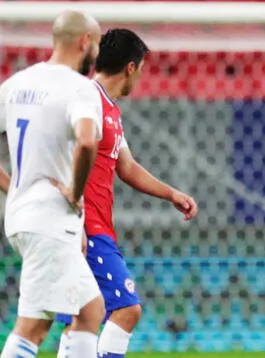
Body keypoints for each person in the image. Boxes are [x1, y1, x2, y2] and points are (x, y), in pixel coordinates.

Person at [46, 28, 199, 358]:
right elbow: (61, 155)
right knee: (127, 309)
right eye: (141, 70)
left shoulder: (108, 108)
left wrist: (171, 193)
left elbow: (126, 166)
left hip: (94, 225)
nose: (140, 78)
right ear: (131, 67)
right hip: (85, 226)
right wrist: (77, 213)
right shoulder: (86, 99)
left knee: (81, 318)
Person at [0, 10, 106, 358]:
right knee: (34, 327)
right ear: (84, 42)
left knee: (90, 310)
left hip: (23, 214)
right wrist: (74, 195)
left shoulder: (17, 83)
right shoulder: (79, 88)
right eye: (98, 43)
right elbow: (87, 141)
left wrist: (14, 186)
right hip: (50, 220)